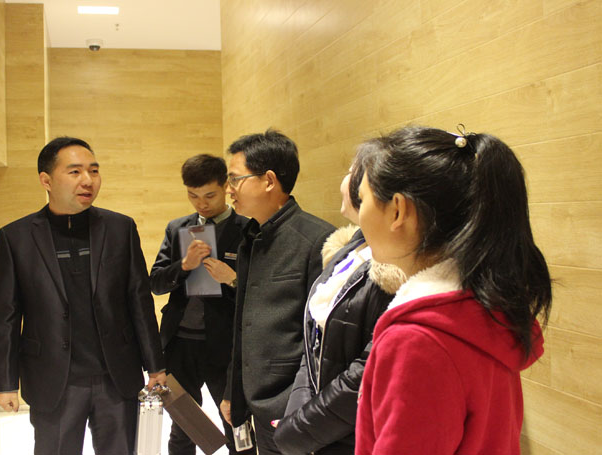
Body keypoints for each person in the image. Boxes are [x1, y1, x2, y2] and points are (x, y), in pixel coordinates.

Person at [354, 126, 552, 454]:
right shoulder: (485, 311)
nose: (358, 215)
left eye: (362, 199)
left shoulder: (416, 341)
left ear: (398, 210)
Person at [0, 137, 166, 455]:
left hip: (115, 376)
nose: (88, 180)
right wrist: (5, 383)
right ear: (46, 180)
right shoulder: (16, 237)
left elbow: (139, 300)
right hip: (53, 378)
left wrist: (155, 366)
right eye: (74, 172)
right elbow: (6, 315)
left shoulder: (120, 228)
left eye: (94, 171)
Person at [273, 151, 406, 454]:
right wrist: (298, 412)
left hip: (353, 435)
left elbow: (367, 371)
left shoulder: (396, 273)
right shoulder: (347, 248)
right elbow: (314, 342)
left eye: (351, 173)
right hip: (318, 423)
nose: (345, 182)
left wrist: (299, 429)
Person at [219, 129, 335, 455]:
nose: (228, 189)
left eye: (235, 179)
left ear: (269, 180)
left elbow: (323, 339)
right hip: (253, 400)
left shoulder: (318, 240)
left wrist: (303, 407)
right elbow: (242, 325)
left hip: (293, 405)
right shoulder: (250, 237)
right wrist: (232, 392)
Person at [150, 154, 252, 455]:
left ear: (226, 187)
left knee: (236, 424)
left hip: (226, 345)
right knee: (183, 425)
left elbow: (261, 292)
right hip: (180, 344)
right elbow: (155, 284)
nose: (201, 204)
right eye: (193, 196)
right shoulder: (177, 228)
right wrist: (184, 265)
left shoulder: (248, 229)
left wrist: (233, 279)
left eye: (209, 195)